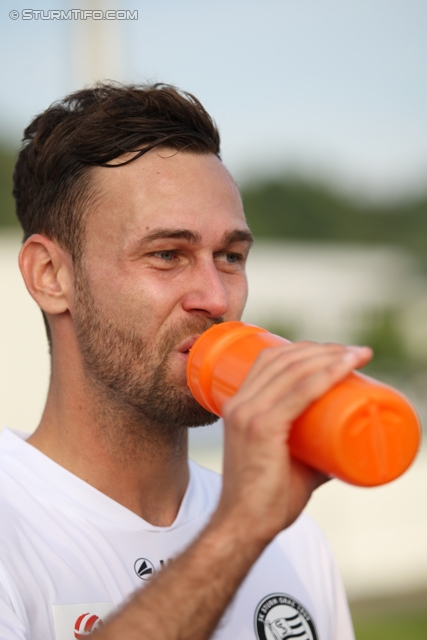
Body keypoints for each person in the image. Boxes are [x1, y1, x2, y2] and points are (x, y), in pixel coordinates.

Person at [0, 83, 372, 640]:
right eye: (167, 255)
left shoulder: (292, 541)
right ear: (51, 276)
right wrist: (238, 532)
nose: (216, 299)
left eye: (230, 256)